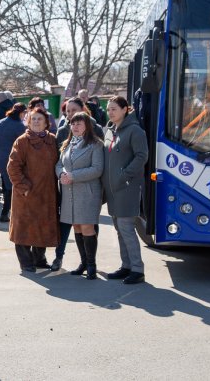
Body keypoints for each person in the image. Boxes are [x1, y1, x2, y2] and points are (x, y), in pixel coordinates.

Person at [53, 97, 105, 270]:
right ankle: (83, 263)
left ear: (87, 126)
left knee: (87, 226)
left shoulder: (95, 144)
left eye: (79, 124)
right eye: (73, 124)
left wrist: (72, 175)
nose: (75, 127)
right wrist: (61, 173)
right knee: (76, 227)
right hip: (69, 192)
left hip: (88, 192)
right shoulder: (68, 143)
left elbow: (97, 169)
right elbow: (59, 163)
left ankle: (91, 265)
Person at [102, 96, 148, 285]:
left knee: (126, 228)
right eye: (108, 109)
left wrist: (124, 175)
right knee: (119, 229)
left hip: (127, 187)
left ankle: (137, 269)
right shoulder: (109, 130)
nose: (110, 112)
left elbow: (141, 156)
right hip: (112, 188)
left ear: (124, 110)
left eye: (114, 109)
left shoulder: (135, 131)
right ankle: (126, 266)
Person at [7, 108, 60, 272]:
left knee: (42, 226)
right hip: (27, 194)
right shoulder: (22, 141)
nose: (36, 122)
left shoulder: (52, 140)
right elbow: (13, 167)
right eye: (33, 119)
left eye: (39, 119)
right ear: (28, 122)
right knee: (24, 228)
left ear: (46, 122)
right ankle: (26, 262)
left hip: (47, 193)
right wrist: (24, 187)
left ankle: (39, 259)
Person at [0, 103, 27, 223]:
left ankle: (7, 212)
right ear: (21, 113)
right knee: (11, 186)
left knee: (6, 183)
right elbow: (24, 144)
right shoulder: (19, 126)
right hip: (11, 158)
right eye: (25, 114)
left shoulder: (1, 122)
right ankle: (6, 213)